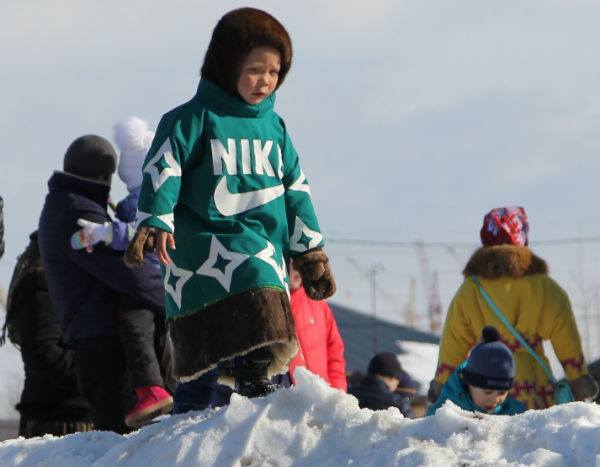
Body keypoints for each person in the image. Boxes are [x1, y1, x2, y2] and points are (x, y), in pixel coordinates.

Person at [125, 7, 336, 399]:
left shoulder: (275, 127)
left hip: (264, 241)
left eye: (275, 72)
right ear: (228, 63)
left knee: (261, 284)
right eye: (256, 69)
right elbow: (164, 167)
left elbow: (296, 188)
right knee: (252, 278)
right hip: (207, 238)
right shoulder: (192, 118)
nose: (265, 82)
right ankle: (249, 382)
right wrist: (155, 218)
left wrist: (311, 252)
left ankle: (254, 382)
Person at [37, 134, 170, 433]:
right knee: (125, 447)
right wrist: (172, 300)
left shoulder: (67, 205)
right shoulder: (78, 215)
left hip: (99, 344)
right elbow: (131, 272)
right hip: (107, 348)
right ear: (103, 175)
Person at [428, 207, 599, 410]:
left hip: (487, 390)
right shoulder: (544, 286)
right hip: (535, 390)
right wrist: (578, 377)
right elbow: (566, 337)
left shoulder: (471, 290)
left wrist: (441, 382)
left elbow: (453, 342)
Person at [1, 232, 93, 437]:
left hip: (77, 420)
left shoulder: (66, 279)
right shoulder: (43, 282)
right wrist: (101, 370)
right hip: (59, 425)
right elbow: (46, 353)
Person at [427, 326, 525, 416]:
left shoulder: (514, 412)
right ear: (469, 384)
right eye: (488, 391)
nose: (495, 399)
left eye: (502, 392)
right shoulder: (446, 411)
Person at [287, 263, 347, 390]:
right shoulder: (269, 305)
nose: (297, 271)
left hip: (321, 395)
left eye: (299, 263)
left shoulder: (318, 304)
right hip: (287, 397)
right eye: (290, 264)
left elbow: (335, 351)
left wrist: (338, 391)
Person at [349, 352, 414, 417]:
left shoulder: (348, 395)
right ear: (392, 377)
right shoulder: (399, 404)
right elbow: (412, 426)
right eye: (398, 379)